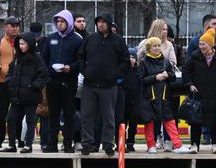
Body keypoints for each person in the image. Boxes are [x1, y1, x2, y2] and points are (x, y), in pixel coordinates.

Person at [78, 13, 127, 155]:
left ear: (109, 23)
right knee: (87, 115)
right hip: (90, 84)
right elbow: (81, 55)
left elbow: (124, 61)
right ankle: (87, 143)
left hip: (109, 85)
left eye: (104, 22)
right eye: (98, 22)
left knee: (109, 116)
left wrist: (115, 74)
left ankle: (107, 144)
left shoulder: (118, 41)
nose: (101, 24)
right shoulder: (91, 39)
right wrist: (85, 71)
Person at [39, 10, 83, 153]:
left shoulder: (77, 40)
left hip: (69, 82)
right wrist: (47, 72)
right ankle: (52, 143)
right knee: (53, 113)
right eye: (58, 21)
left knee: (69, 114)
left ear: (69, 22)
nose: (60, 24)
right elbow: (44, 58)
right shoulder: (50, 38)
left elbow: (81, 61)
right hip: (53, 81)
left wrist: (70, 68)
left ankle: (68, 143)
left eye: (62, 21)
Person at [184, 35, 216, 153]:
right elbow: (186, 71)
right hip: (198, 94)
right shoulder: (195, 56)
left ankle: (215, 144)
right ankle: (194, 144)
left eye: (204, 44)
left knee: (214, 121)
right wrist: (189, 84)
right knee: (196, 120)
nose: (201, 47)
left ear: (211, 45)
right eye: (200, 44)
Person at [137, 37, 186, 152]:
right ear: (149, 48)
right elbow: (140, 80)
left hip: (165, 96)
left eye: (159, 46)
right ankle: (151, 145)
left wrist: (168, 75)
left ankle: (178, 145)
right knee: (149, 122)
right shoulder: (144, 63)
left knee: (170, 120)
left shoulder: (166, 61)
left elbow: (173, 76)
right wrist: (155, 77)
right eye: (154, 46)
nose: (157, 48)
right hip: (150, 97)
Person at [2, 35, 47, 153]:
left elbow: (43, 75)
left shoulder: (37, 59)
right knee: (11, 119)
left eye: (23, 44)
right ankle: (12, 145)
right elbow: (10, 71)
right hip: (16, 95)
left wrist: (34, 85)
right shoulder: (17, 57)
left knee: (30, 120)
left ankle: (28, 145)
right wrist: (10, 81)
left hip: (31, 96)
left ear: (30, 44)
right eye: (20, 44)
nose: (21, 46)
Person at [0, 16, 21, 147]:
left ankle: (19, 140)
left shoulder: (23, 41)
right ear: (5, 27)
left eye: (17, 25)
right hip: (4, 83)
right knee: (1, 115)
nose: (15, 28)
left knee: (18, 113)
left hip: (19, 84)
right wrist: (0, 69)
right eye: (12, 25)